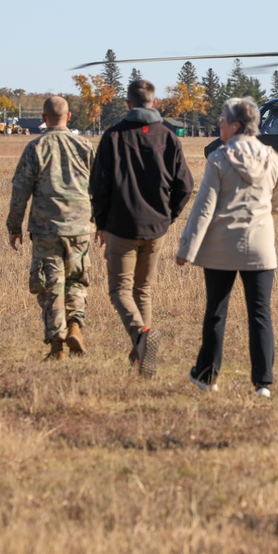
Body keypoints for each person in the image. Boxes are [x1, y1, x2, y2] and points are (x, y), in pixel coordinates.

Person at [176, 97, 278, 397]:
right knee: (260, 313)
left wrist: (186, 249)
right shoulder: (271, 157)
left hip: (220, 249)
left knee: (216, 310)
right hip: (260, 249)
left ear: (235, 126)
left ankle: (207, 377)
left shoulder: (219, 159)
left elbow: (204, 208)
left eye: (223, 120)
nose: (219, 124)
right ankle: (263, 382)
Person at [90, 79, 193, 377]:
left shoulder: (113, 136)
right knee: (143, 289)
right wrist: (167, 217)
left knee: (119, 290)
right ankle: (140, 356)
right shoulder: (168, 137)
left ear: (127, 104)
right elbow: (185, 186)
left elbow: (99, 185)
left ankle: (141, 336)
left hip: (121, 227)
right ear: (154, 102)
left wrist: (101, 223)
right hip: (155, 228)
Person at [7, 96, 94, 361]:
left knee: (51, 285)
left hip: (46, 229)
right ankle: (76, 326)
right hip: (80, 226)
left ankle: (57, 347)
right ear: (69, 117)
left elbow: (20, 190)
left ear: (43, 119)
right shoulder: (86, 146)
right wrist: (101, 224)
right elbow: (101, 188)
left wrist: (14, 226)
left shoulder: (36, 147)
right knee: (77, 279)